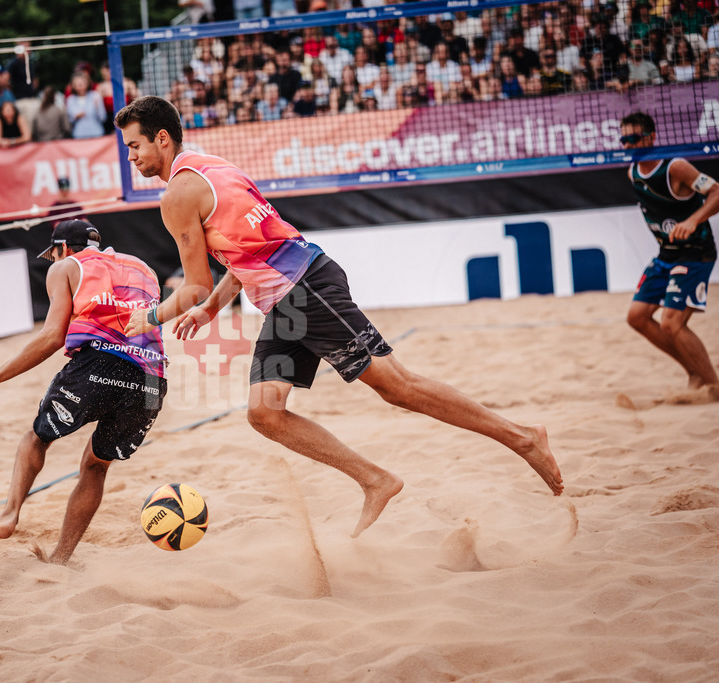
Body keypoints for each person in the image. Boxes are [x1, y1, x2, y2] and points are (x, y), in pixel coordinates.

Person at [114, 96, 564, 538]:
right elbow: (247, 249)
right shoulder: (214, 167)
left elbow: (190, 284)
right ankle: (375, 480)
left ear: (162, 139)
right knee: (265, 413)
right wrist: (213, 305)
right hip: (286, 300)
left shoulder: (178, 193)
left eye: (135, 146)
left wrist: (150, 316)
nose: (131, 156)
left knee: (399, 387)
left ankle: (523, 437)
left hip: (307, 290)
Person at [0, 220, 168, 563]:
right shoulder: (143, 268)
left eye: (52, 255)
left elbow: (53, 336)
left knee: (35, 439)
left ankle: (9, 516)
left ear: (63, 248)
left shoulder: (67, 266)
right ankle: (61, 559)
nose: (52, 261)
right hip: (153, 381)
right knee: (96, 467)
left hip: (100, 365)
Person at [620, 112, 719, 395]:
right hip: (666, 254)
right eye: (624, 139)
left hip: (695, 253)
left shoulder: (675, 167)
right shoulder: (633, 172)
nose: (629, 145)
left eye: (635, 138)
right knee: (636, 317)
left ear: (652, 137)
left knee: (671, 323)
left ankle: (715, 386)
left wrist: (693, 220)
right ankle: (695, 372)